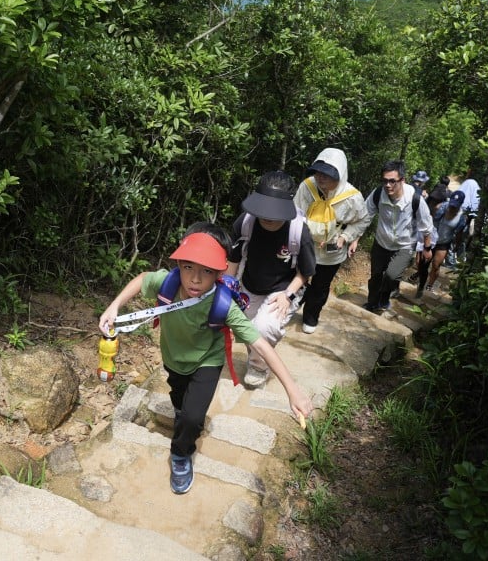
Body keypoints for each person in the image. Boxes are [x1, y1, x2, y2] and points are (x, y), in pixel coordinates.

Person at [98, 223, 313, 495]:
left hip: (207, 361)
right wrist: (114, 306)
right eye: (188, 268)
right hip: (173, 357)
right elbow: (142, 279)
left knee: (191, 417)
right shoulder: (168, 282)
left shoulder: (223, 305)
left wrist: (292, 391)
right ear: (179, 264)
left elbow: (260, 343)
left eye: (206, 271)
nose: (195, 280)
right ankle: (183, 416)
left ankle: (180, 455)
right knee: (178, 397)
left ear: (220, 272)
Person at [227, 171, 317, 388]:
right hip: (249, 282)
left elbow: (306, 272)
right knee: (244, 326)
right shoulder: (246, 222)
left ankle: (259, 365)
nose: (267, 217)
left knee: (265, 326)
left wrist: (288, 295)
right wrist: (226, 290)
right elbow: (233, 258)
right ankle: (256, 355)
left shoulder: (298, 232)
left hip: (283, 287)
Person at [293, 148, 370, 334]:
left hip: (332, 250)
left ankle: (311, 316)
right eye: (318, 172)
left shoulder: (352, 197)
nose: (321, 178)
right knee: (296, 278)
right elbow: (295, 212)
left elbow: (363, 220)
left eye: (327, 175)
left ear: (340, 175)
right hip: (306, 245)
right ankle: (290, 307)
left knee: (320, 285)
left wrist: (345, 237)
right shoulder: (307, 187)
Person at [363, 160, 434, 313]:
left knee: (391, 275)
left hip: (404, 245)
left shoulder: (415, 199)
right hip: (381, 242)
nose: (387, 185)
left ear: (402, 180)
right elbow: (365, 215)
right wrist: (355, 238)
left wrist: (427, 248)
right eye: (385, 181)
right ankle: (372, 303)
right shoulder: (378, 194)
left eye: (392, 181)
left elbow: (426, 225)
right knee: (375, 275)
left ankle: (384, 297)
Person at [424, 190, 468, 293]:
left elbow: (459, 233)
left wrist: (457, 245)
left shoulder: (461, 217)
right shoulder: (442, 206)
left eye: (455, 206)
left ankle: (429, 285)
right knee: (424, 262)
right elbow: (430, 218)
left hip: (444, 243)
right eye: (452, 204)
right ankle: (419, 274)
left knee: (436, 265)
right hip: (431, 239)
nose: (452, 207)